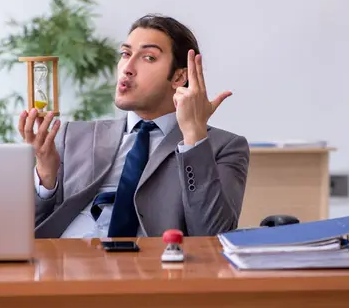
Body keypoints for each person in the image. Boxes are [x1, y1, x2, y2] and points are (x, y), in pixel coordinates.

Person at [19, 14, 250, 238]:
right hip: (65, 264)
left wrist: (194, 136)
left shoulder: (224, 147)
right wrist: (46, 175)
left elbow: (212, 236)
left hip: (152, 269)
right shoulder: (72, 135)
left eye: (148, 57)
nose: (127, 67)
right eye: (125, 53)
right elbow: (27, 230)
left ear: (179, 77)